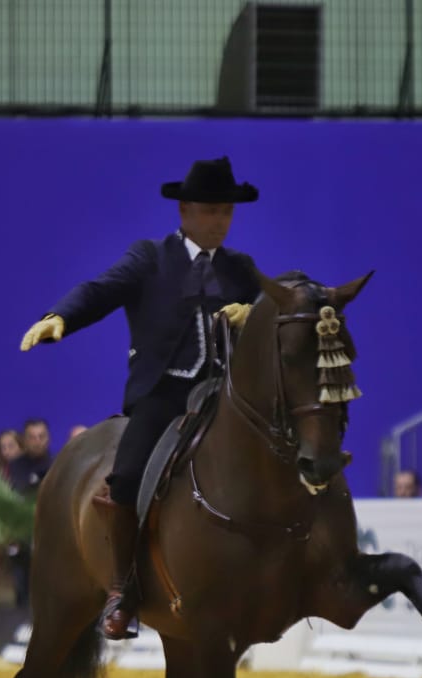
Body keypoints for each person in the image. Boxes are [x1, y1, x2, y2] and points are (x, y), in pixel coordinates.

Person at [18, 157, 263, 638]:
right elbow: (102, 290)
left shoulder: (241, 269)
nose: (220, 221)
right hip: (164, 393)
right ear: (185, 211)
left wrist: (253, 314)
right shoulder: (150, 257)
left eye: (227, 213)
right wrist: (61, 316)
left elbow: (276, 308)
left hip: (224, 397)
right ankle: (122, 589)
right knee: (126, 476)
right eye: (211, 211)